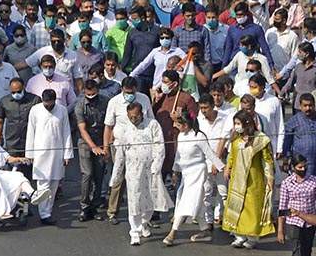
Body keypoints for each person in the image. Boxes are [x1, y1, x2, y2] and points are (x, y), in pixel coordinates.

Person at [109, 102, 169, 246]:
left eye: (136, 117)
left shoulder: (152, 125)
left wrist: (156, 166)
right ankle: (134, 231)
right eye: (130, 117)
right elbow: (120, 155)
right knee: (134, 201)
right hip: (133, 171)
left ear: (142, 114)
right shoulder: (125, 129)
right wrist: (116, 176)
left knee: (151, 199)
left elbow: (159, 146)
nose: (133, 120)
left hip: (151, 170)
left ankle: (144, 223)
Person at [162, 113, 225, 245]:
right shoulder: (181, 135)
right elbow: (178, 156)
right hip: (186, 172)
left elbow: (210, 154)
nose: (176, 126)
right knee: (196, 203)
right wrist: (175, 171)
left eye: (178, 124)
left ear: (186, 125)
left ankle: (172, 233)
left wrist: (221, 167)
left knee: (186, 202)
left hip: (198, 172)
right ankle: (205, 230)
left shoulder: (199, 136)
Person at [223, 110, 276, 249]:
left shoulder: (261, 140)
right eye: (235, 123)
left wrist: (270, 178)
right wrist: (228, 167)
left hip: (254, 181)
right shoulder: (235, 139)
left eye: (238, 123)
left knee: (252, 209)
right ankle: (239, 236)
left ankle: (252, 238)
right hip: (237, 180)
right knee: (237, 208)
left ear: (247, 124)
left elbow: (268, 161)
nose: (236, 126)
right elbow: (232, 156)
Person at [25, 89, 73, 225]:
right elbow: (31, 132)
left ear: (54, 100)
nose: (48, 107)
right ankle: (44, 214)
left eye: (50, 104)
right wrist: (30, 154)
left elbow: (66, 132)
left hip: (57, 153)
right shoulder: (35, 110)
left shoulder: (62, 110)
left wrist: (67, 154)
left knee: (54, 184)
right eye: (46, 104)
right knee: (43, 184)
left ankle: (48, 211)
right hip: (40, 154)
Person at [75, 79, 110, 222]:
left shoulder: (105, 102)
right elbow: (82, 129)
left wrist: (106, 147)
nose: (91, 97)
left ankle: (95, 206)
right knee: (87, 174)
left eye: (93, 94)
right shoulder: (80, 105)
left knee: (99, 175)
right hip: (85, 142)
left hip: (101, 140)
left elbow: (109, 125)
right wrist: (93, 146)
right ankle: (84, 206)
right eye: (88, 94)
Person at [283, 93, 316, 175]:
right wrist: (286, 159)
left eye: (310, 105)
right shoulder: (294, 120)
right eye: (305, 105)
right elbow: (287, 141)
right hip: (302, 163)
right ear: (300, 106)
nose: (308, 108)